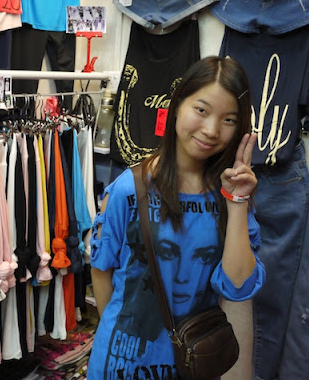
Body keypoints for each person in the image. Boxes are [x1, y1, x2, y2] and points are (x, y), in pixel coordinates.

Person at [88, 56, 266, 380]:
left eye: (228, 120)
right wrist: (118, 339)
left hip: (193, 362)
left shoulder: (231, 195)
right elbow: (101, 270)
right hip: (121, 364)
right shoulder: (131, 187)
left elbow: (238, 287)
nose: (212, 130)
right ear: (177, 105)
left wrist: (237, 202)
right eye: (201, 110)